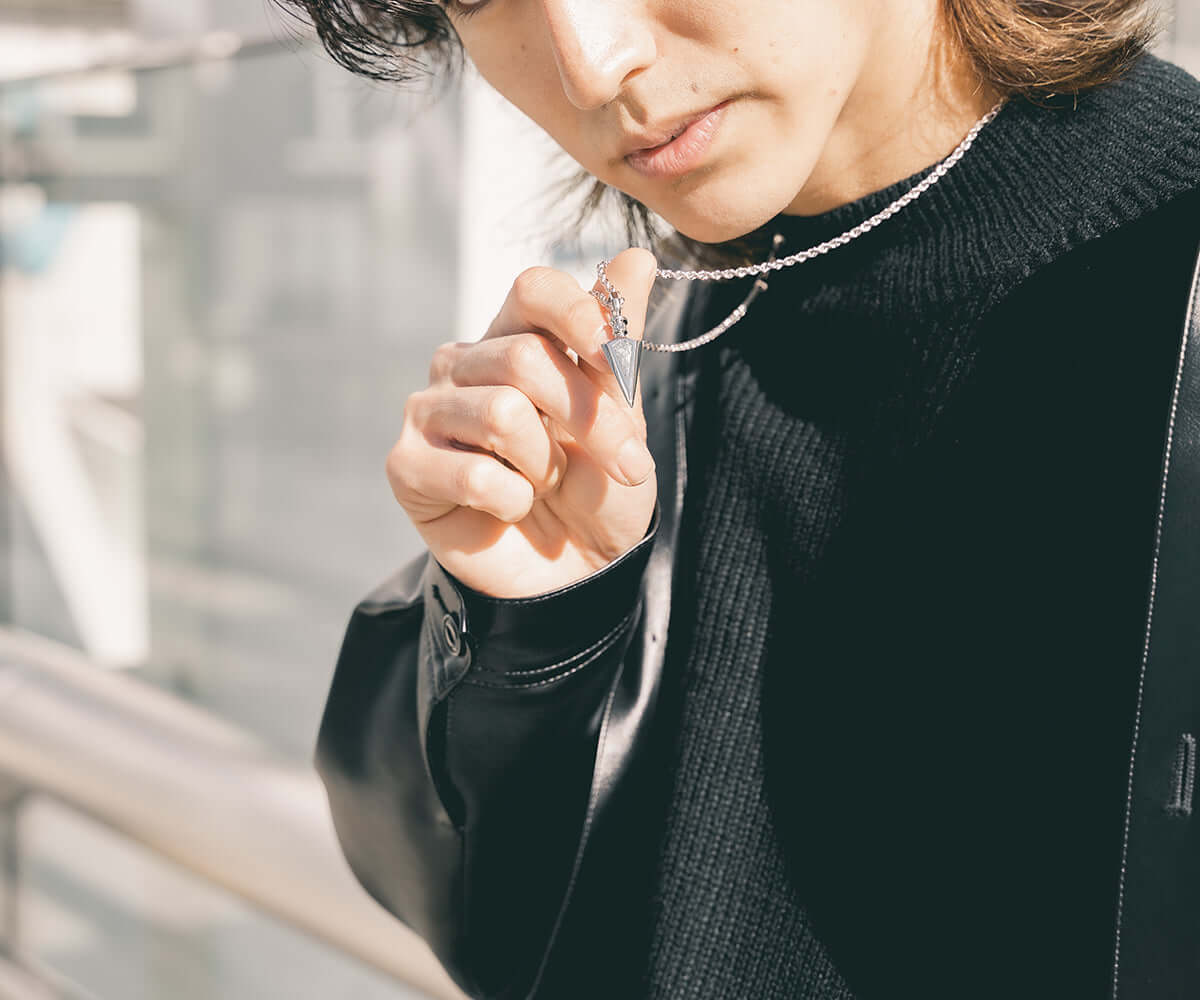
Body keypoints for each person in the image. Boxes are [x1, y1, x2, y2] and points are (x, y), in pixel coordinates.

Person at [272, 0, 1200, 997]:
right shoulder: (657, 345)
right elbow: (502, 928)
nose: (593, 64)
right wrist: (532, 636)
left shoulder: (1162, 296)